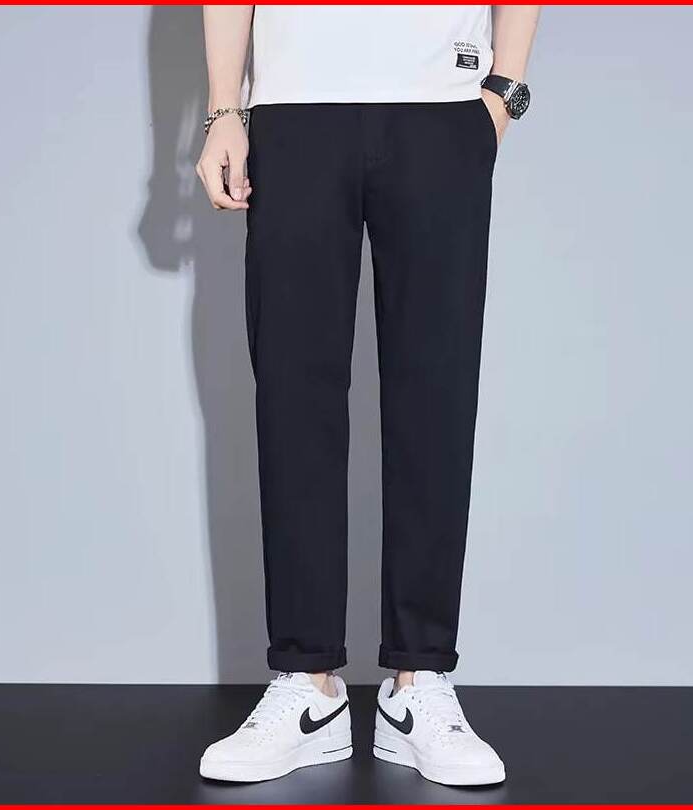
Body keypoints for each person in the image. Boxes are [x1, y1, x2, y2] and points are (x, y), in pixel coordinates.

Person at [196, 5, 540, 786]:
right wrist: (224, 109)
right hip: (292, 110)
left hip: (443, 109)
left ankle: (420, 681)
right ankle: (306, 684)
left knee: (437, 394)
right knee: (293, 393)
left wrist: (503, 93)